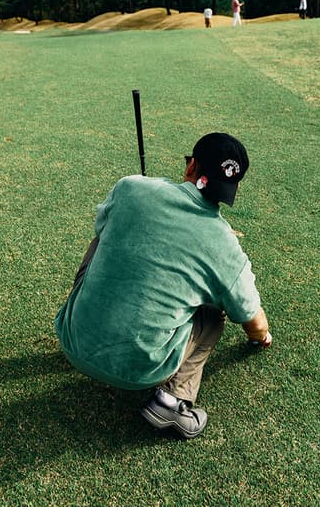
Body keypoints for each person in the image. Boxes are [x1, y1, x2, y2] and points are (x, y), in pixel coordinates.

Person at [55, 133, 272, 439]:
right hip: (142, 371)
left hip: (71, 338)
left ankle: (90, 325)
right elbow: (254, 320)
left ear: (191, 166)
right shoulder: (224, 244)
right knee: (212, 313)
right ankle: (172, 400)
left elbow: (103, 228)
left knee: (101, 241)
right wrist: (261, 338)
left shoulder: (129, 187)